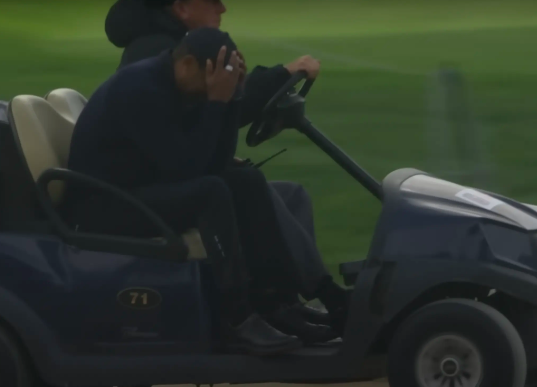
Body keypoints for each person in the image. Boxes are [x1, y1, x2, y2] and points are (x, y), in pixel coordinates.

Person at [62, 27, 341, 353]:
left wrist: (233, 98)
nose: (211, 89)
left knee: (246, 180)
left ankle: (277, 303)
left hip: (137, 189)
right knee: (211, 193)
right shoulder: (141, 88)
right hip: (104, 205)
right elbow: (187, 170)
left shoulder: (178, 84)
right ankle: (236, 318)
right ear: (188, 63)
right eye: (210, 80)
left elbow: (214, 162)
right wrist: (217, 102)